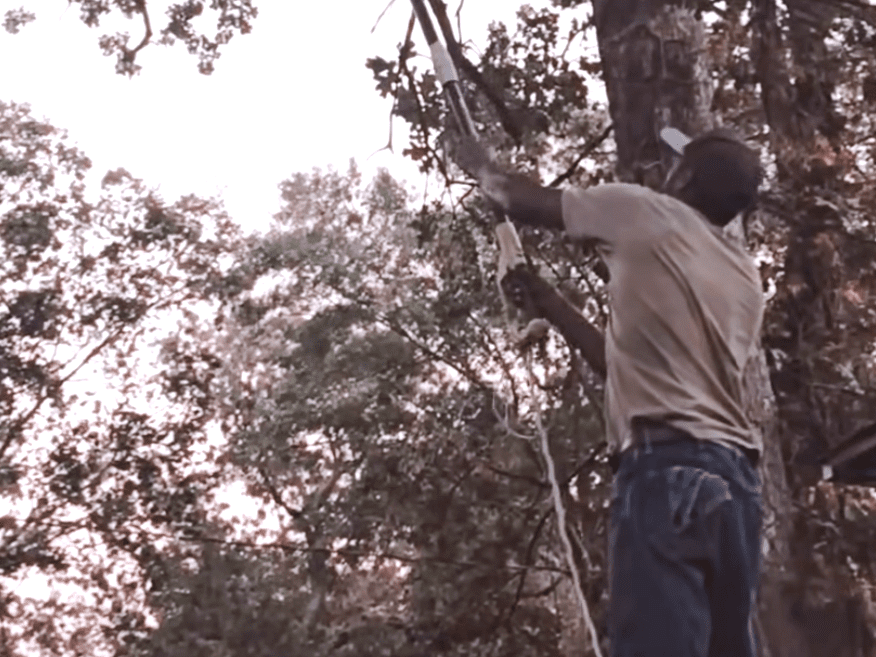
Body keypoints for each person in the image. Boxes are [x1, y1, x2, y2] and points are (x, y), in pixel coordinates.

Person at [454, 128, 764, 657]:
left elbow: (516, 197)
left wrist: (477, 162)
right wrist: (551, 306)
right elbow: (629, 368)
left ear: (684, 175)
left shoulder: (642, 210)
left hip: (666, 470)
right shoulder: (744, 279)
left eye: (673, 166)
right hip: (737, 489)